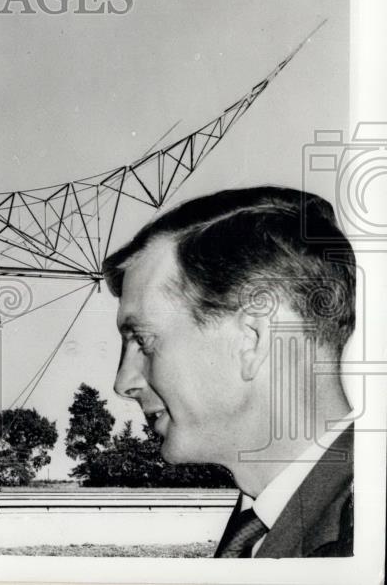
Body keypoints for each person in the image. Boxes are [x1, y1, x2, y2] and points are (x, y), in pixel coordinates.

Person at [103, 186, 354, 558]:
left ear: (252, 338)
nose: (124, 383)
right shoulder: (258, 527)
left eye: (144, 341)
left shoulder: (361, 535)